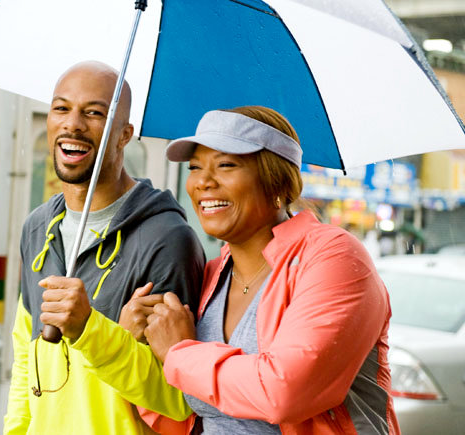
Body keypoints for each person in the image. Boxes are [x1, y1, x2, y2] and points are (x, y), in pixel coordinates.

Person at [109, 107, 401, 434]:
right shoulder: (212, 274)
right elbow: (179, 414)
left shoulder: (334, 258)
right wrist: (131, 348)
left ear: (276, 180)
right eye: (195, 167)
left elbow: (284, 393)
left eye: (225, 165)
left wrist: (178, 353)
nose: (203, 181)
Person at [3, 61, 205, 434]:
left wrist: (90, 329)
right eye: (61, 108)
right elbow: (24, 361)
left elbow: (178, 401)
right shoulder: (38, 227)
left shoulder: (166, 239)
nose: (73, 124)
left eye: (94, 113)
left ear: (124, 134)